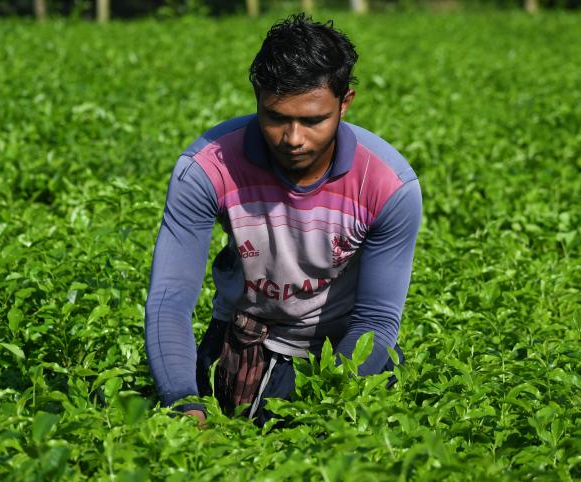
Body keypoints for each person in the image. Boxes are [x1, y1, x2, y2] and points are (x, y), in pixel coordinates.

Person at [145, 13, 422, 426]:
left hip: (341, 349)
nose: (293, 138)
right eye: (276, 117)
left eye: (313, 120)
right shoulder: (208, 168)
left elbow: (376, 321)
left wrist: (329, 402)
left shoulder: (385, 183)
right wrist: (183, 400)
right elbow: (170, 300)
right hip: (242, 343)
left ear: (344, 103)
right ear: (257, 94)